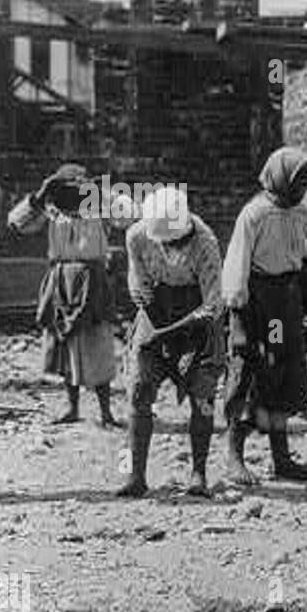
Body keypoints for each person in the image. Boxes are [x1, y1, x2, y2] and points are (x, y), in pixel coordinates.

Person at [222, 146, 307, 485]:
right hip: (256, 301)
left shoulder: (301, 211)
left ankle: (282, 459)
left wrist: (305, 247)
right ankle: (235, 456)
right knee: (249, 369)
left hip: (284, 305)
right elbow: (237, 261)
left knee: (280, 368)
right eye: (298, 183)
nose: (303, 190)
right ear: (280, 179)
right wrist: (238, 311)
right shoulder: (255, 214)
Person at [117, 187, 225, 497]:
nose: (174, 248)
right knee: (139, 389)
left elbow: (214, 303)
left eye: (179, 241)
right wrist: (155, 329)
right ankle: (134, 476)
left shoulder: (205, 243)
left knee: (202, 393)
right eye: (167, 243)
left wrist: (179, 332)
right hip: (156, 311)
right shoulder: (137, 236)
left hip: (197, 316)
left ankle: (198, 475)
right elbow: (138, 284)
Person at [7, 163, 122, 428]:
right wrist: (40, 194)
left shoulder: (99, 208)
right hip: (61, 279)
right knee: (66, 340)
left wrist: (100, 192)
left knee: (98, 340)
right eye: (66, 186)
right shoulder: (51, 208)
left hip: (93, 279)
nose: (72, 192)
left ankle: (106, 412)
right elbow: (16, 223)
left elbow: (127, 216)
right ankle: (73, 408)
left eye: (76, 186)